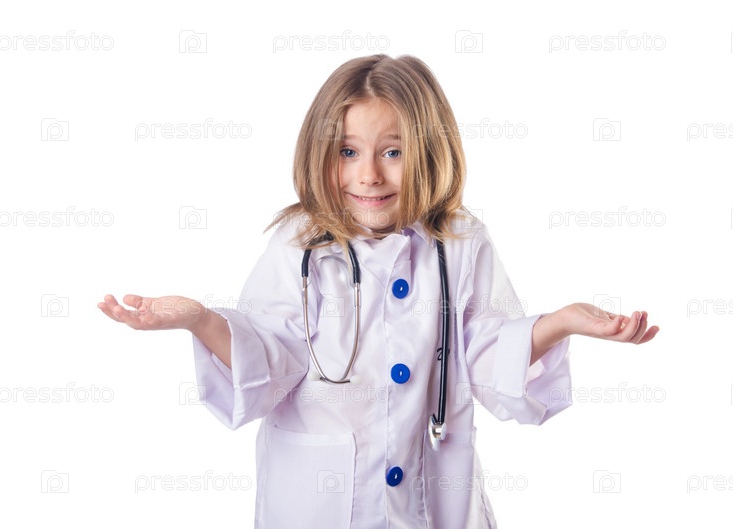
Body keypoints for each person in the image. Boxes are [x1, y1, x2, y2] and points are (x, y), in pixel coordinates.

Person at [98, 54, 658, 529]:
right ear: (321, 153)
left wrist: (558, 323)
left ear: (430, 152)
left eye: (393, 152)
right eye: (348, 152)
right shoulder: (299, 244)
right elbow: (266, 355)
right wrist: (200, 319)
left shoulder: (460, 242)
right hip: (319, 504)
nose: (369, 175)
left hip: (433, 503)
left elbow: (488, 355)